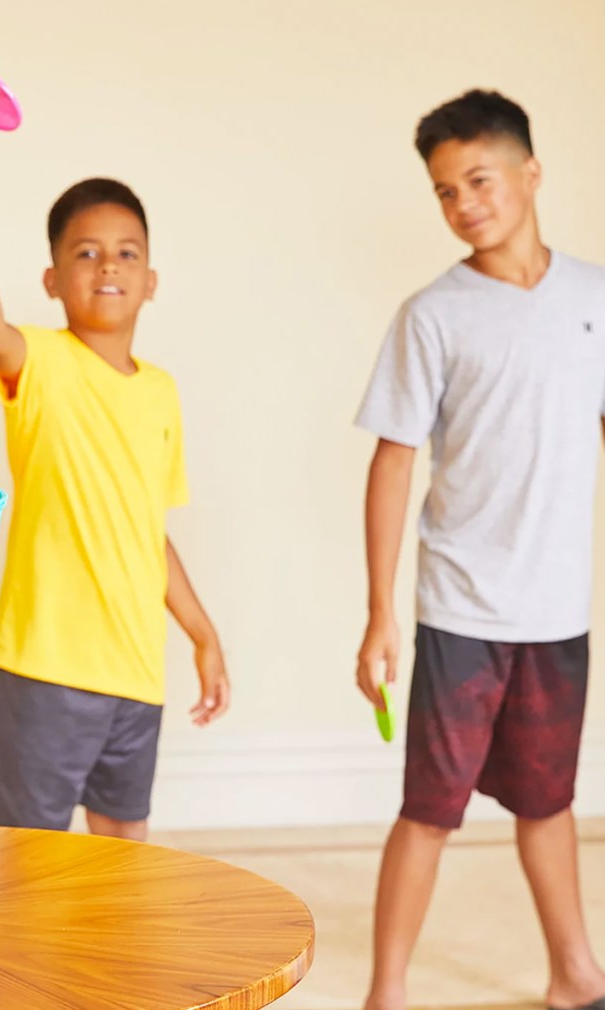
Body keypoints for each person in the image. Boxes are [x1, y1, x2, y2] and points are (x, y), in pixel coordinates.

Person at [354, 88, 605, 1010]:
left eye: (479, 180)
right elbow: (393, 461)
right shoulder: (433, 315)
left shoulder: (596, 298)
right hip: (461, 611)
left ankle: (576, 975)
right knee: (430, 810)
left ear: (531, 174)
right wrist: (380, 613)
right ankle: (387, 992)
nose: (463, 204)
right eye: (444, 191)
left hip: (557, 611)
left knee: (548, 802)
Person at [0, 177, 229, 841]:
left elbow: (148, 532)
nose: (108, 265)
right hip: (44, 670)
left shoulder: (162, 392)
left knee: (124, 848)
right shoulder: (43, 361)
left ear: (151, 281)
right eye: (86, 253)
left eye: (126, 253)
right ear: (52, 280)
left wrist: (203, 635)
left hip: (136, 675)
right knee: (17, 854)